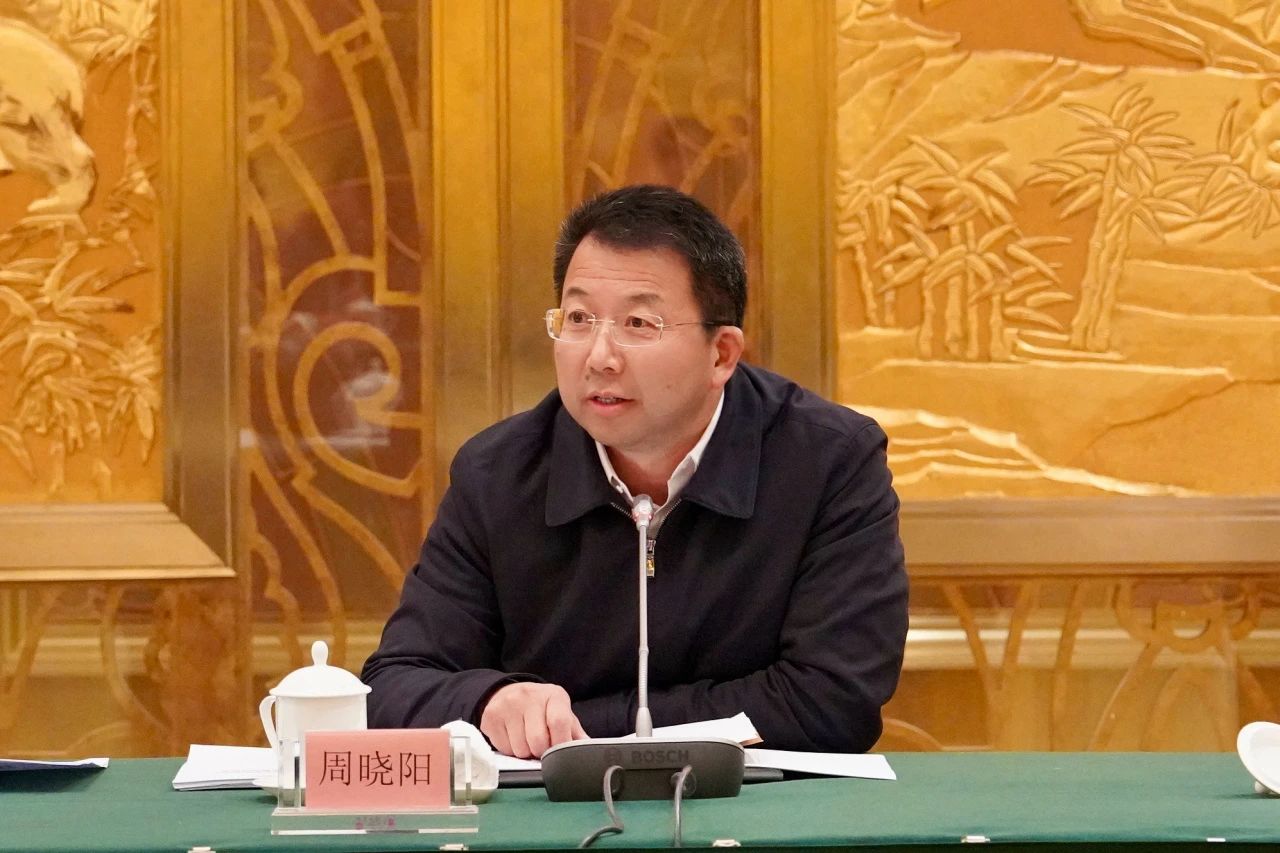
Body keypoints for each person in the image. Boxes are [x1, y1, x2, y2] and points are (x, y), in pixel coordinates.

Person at [361, 185, 908, 758]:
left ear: (721, 354)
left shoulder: (828, 462)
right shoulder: (497, 474)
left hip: (756, 810)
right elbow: (393, 685)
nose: (599, 356)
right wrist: (487, 702)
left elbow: (830, 702)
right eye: (578, 318)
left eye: (639, 323)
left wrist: (572, 730)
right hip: (558, 814)